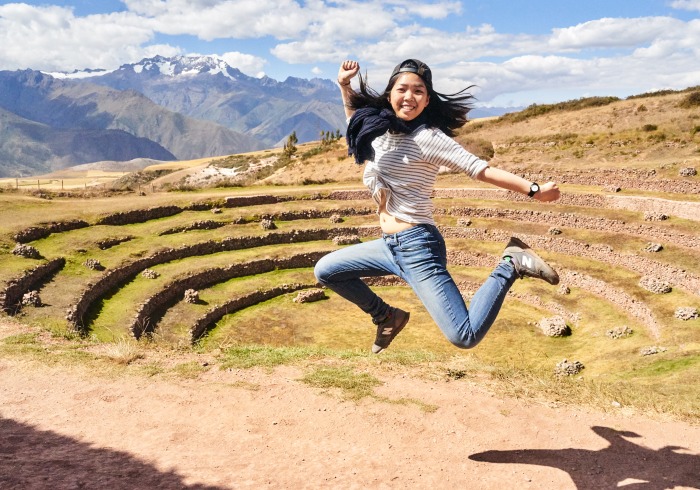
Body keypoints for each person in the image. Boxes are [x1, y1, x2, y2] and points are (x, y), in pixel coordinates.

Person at [314, 59, 561, 354]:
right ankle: (386, 316)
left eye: (418, 91)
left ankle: (511, 264)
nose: (409, 96)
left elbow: (479, 169)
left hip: (418, 246)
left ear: (427, 99)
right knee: (326, 270)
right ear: (390, 93)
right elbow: (354, 119)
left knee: (464, 335)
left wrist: (534, 190)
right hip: (389, 246)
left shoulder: (428, 138)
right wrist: (344, 85)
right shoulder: (376, 129)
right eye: (402, 89)